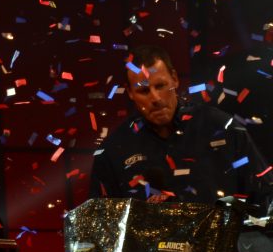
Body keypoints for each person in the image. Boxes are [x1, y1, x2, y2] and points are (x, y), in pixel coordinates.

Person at [89, 44, 273, 207]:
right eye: (143, 90)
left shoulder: (222, 128)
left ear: (174, 79)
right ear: (130, 93)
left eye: (160, 86)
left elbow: (266, 196)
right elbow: (101, 223)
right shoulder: (114, 152)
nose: (155, 98)